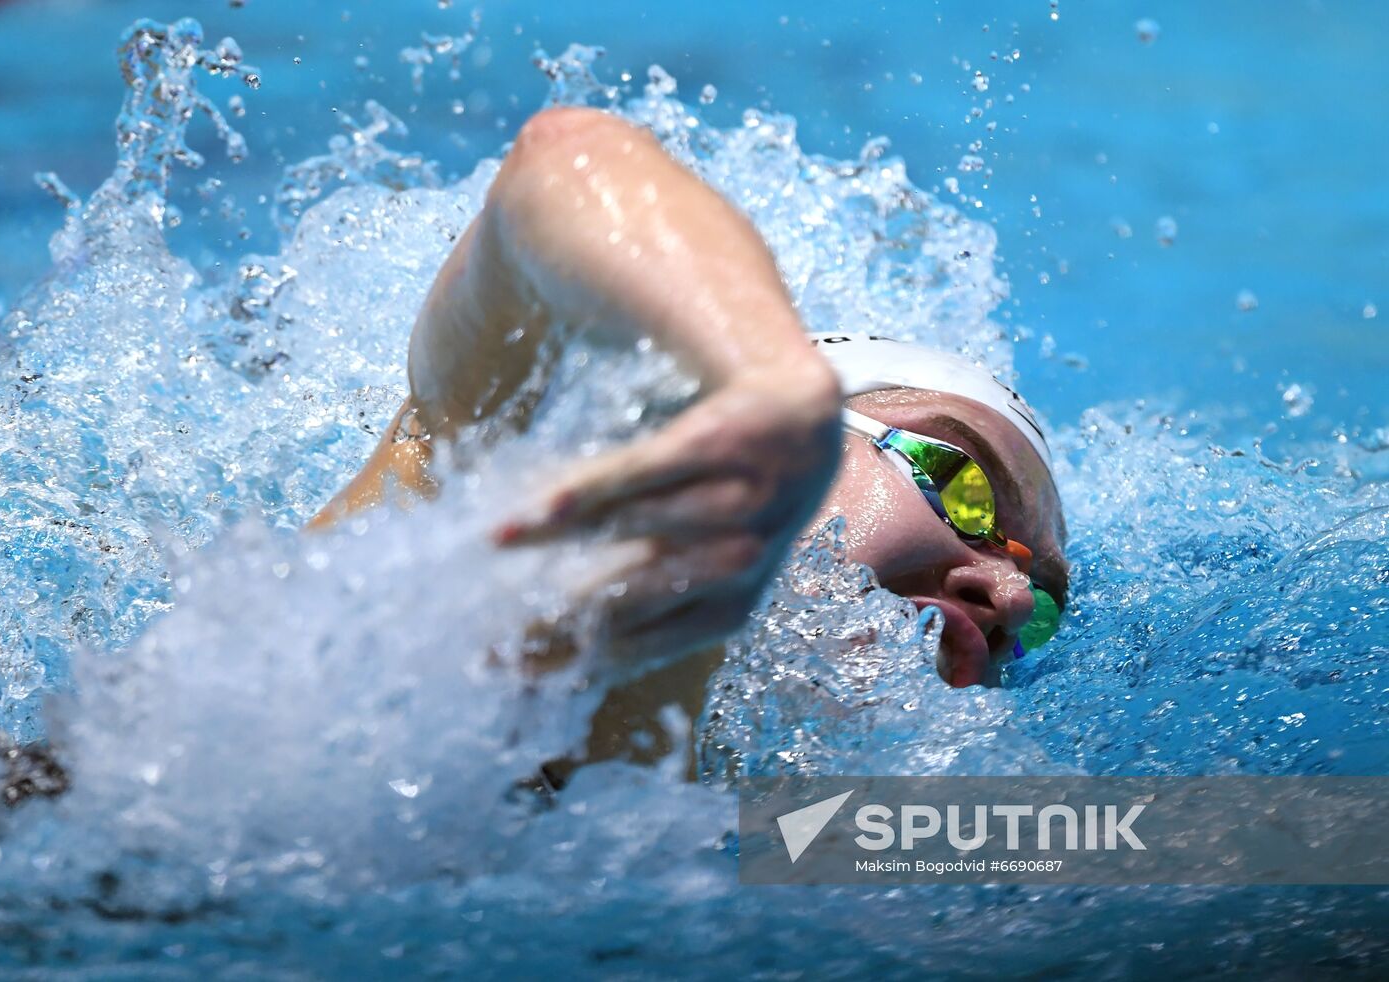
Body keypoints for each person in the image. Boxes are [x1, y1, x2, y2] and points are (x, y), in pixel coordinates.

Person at [309, 106, 1068, 777]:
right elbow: (562, 163)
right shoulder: (446, 514)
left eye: (1043, 611)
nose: (1007, 597)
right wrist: (770, 386)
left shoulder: (721, 833)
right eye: (962, 483)